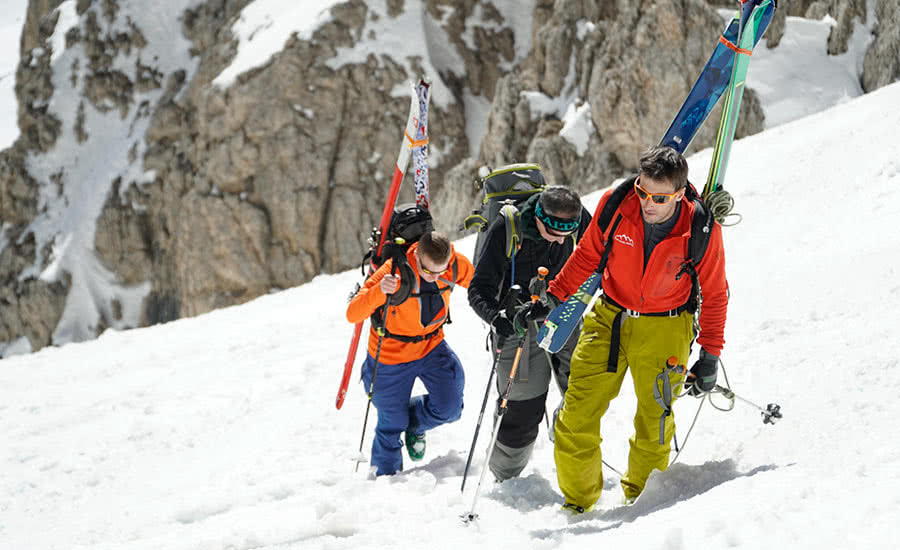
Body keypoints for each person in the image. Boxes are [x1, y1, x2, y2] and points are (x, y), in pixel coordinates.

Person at [533, 146, 728, 512]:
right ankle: (578, 504)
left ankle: (643, 504)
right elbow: (588, 255)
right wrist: (554, 296)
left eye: (659, 197)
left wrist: (710, 356)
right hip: (609, 317)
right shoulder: (617, 204)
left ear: (680, 193)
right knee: (575, 415)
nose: (647, 203)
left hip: (666, 327)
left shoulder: (699, 227)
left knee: (654, 422)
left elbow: (716, 294)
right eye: (642, 191)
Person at [467, 185, 591, 481]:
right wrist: (496, 319)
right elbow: (478, 289)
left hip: (564, 314)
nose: (562, 240)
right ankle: (506, 477)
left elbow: (600, 253)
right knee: (521, 410)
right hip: (517, 327)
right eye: (554, 233)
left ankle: (578, 463)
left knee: (585, 392)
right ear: (537, 216)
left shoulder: (575, 218)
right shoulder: (506, 228)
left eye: (567, 234)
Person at [346, 231, 474, 476]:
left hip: (431, 347)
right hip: (390, 356)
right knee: (391, 426)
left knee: (450, 408)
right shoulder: (393, 270)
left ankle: (415, 422)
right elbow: (353, 313)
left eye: (441, 270)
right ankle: (386, 484)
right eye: (429, 272)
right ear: (416, 257)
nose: (435, 276)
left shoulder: (454, 264)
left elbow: (480, 283)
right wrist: (379, 291)